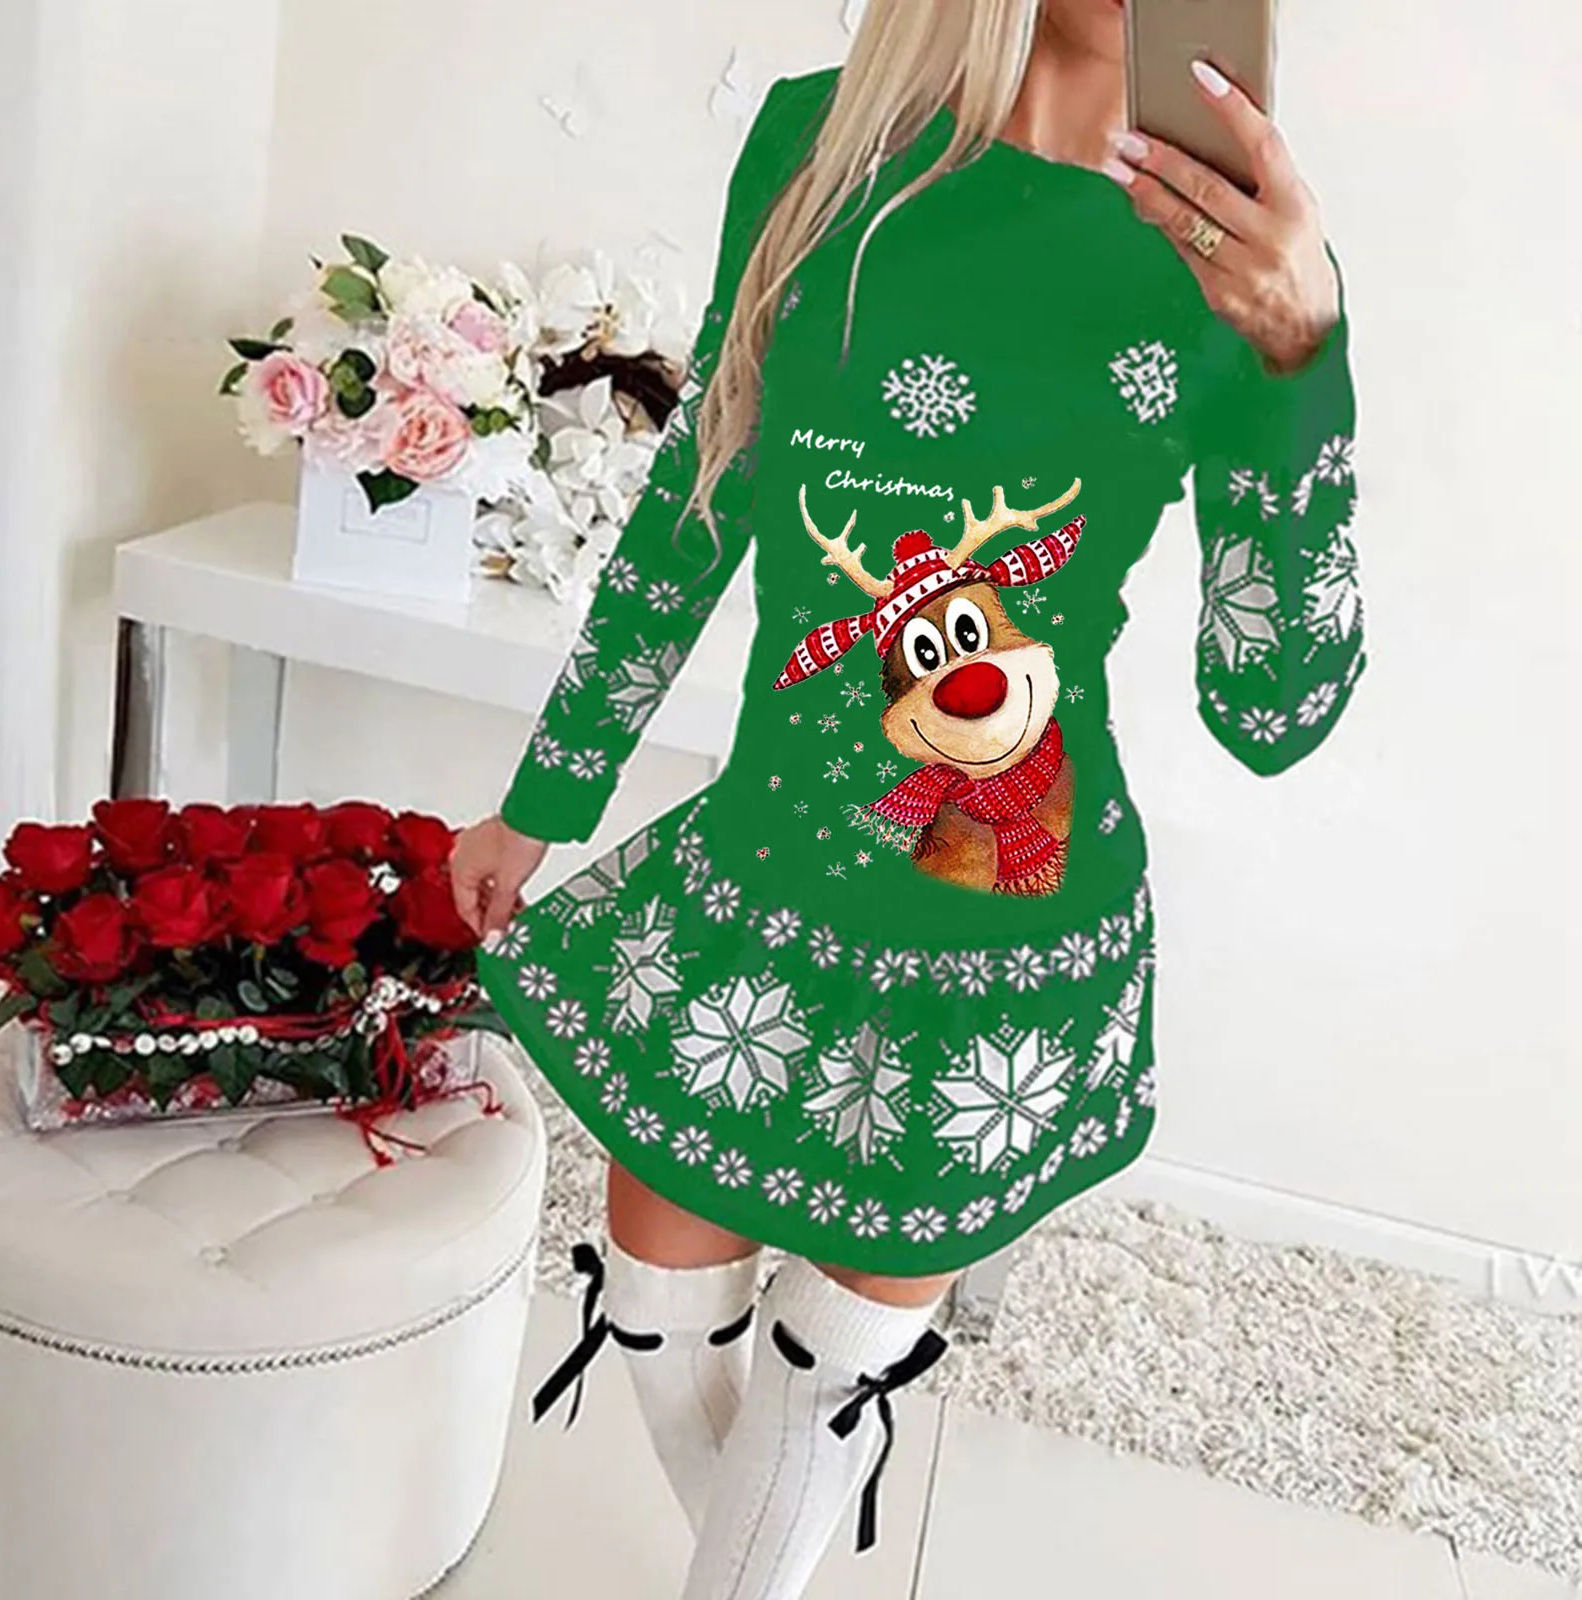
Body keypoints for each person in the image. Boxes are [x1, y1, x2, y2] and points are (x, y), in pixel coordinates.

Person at [450, 1, 1366, 1594]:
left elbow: (1273, 708)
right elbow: (702, 492)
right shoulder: (821, 144)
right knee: (656, 1314)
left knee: (824, 1376)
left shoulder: (1235, 251)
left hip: (994, 904)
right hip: (759, 869)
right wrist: (549, 792)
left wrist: (1304, 364)